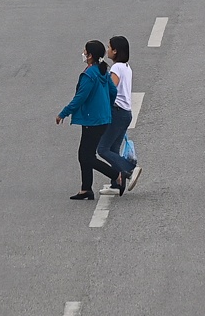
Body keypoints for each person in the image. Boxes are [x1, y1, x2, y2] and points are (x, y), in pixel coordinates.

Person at [55, 40, 122, 201]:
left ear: (90, 55)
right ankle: (86, 189)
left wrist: (63, 113)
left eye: (85, 51)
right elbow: (113, 91)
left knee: (87, 156)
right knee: (85, 154)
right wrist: (106, 106)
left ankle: (116, 174)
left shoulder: (89, 75)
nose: (83, 54)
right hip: (101, 118)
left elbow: (80, 98)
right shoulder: (103, 71)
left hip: (93, 121)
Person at [96, 34, 142, 194]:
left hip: (117, 112)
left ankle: (129, 169)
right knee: (113, 148)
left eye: (109, 47)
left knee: (102, 149)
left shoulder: (116, 68)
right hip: (125, 113)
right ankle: (117, 184)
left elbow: (111, 90)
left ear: (115, 51)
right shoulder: (126, 67)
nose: (107, 50)